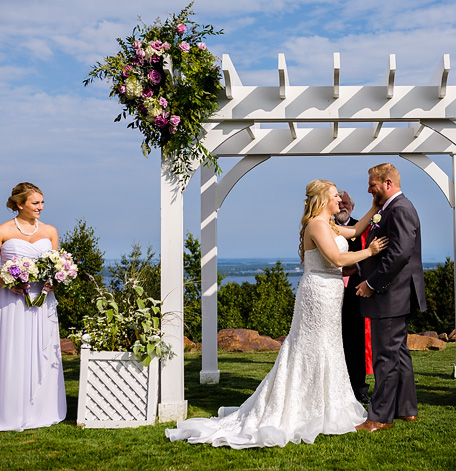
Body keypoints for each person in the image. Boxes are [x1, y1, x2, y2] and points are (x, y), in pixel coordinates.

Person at [166, 179, 388, 449]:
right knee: (310, 347)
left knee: (329, 347)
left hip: (330, 294)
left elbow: (353, 230)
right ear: (321, 200)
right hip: (317, 293)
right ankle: (305, 406)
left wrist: (374, 208)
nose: (339, 201)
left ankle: (328, 404)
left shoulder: (328, 224)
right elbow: (337, 260)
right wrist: (370, 251)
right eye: (334, 196)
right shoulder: (317, 225)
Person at [0, 182, 66, 434]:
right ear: (19, 204)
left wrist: (55, 280)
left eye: (42, 202)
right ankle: (9, 411)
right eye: (35, 203)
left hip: (43, 300)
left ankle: (42, 408)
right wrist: (6, 282)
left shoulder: (50, 231)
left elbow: (56, 264)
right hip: (11, 301)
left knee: (43, 349)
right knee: (12, 350)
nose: (41, 207)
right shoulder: (0, 231)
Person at [355, 163, 426, 433]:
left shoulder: (400, 209)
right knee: (399, 354)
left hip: (390, 295)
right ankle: (406, 409)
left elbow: (400, 254)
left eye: (372, 184)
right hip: (394, 295)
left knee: (385, 357)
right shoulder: (392, 209)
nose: (369, 189)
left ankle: (380, 417)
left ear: (387, 183)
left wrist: (372, 284)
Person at [335, 190, 371, 404]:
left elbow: (370, 254)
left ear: (352, 206)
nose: (342, 207)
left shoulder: (363, 226)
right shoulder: (325, 226)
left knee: (356, 340)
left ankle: (359, 387)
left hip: (355, 291)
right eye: (339, 203)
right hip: (331, 289)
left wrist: (354, 266)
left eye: (345, 203)